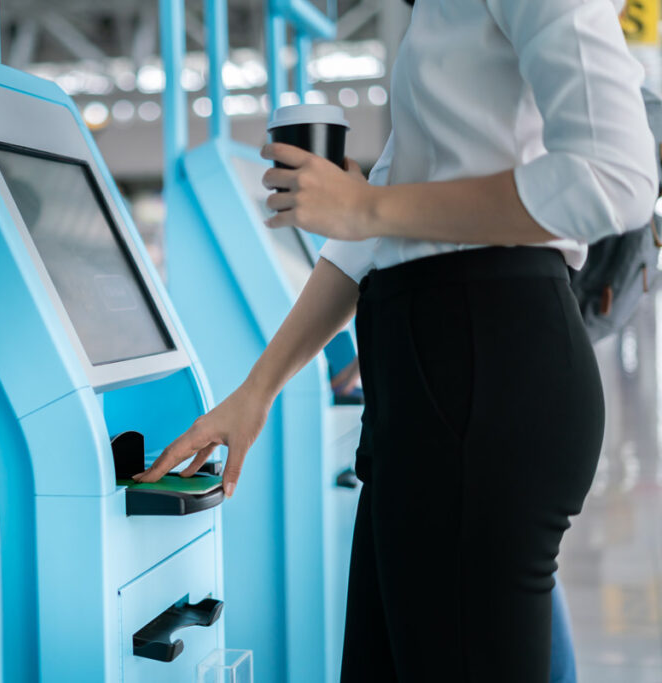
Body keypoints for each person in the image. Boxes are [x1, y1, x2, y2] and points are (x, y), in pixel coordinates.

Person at [134, 0, 658, 680]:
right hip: (429, 385)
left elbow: (615, 176)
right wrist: (255, 391)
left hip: (485, 367)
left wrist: (365, 207)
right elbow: (373, 235)